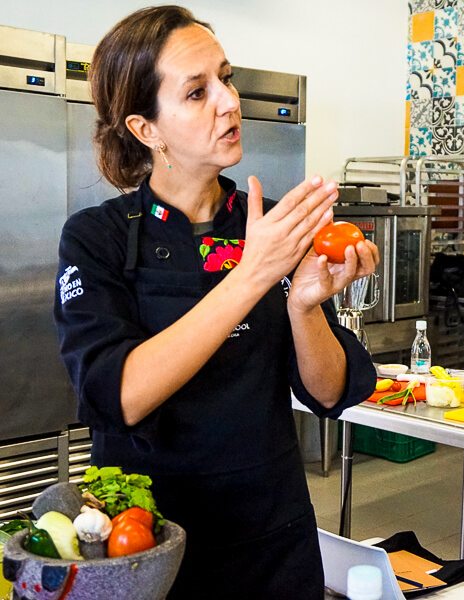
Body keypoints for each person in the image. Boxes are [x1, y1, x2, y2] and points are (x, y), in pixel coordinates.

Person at [53, 6, 378, 598]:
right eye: (198, 92)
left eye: (225, 79)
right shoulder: (96, 237)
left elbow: (330, 392)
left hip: (270, 537)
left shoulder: (271, 226)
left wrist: (304, 308)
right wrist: (253, 276)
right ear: (146, 128)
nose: (230, 101)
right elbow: (118, 394)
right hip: (145, 546)